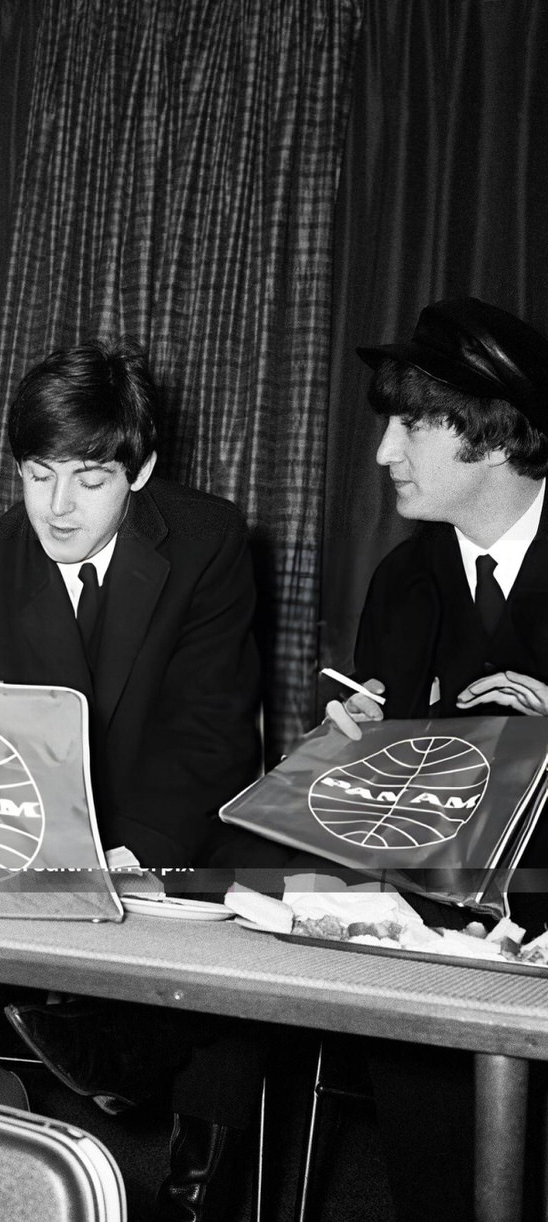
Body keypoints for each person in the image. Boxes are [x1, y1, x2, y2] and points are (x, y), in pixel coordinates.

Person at [0, 340, 266, 1222]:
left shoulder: (208, 541)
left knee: (248, 901)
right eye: (37, 475)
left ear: (139, 470)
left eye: (89, 478)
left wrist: (127, 857)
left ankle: (197, 1180)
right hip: (38, 845)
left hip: (179, 823)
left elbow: (210, 732)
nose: (58, 507)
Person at [324, 295, 548, 1221]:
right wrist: (350, 761)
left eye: (411, 424)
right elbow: (386, 807)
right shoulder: (400, 581)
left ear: (493, 439)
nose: (385, 453)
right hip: (427, 942)